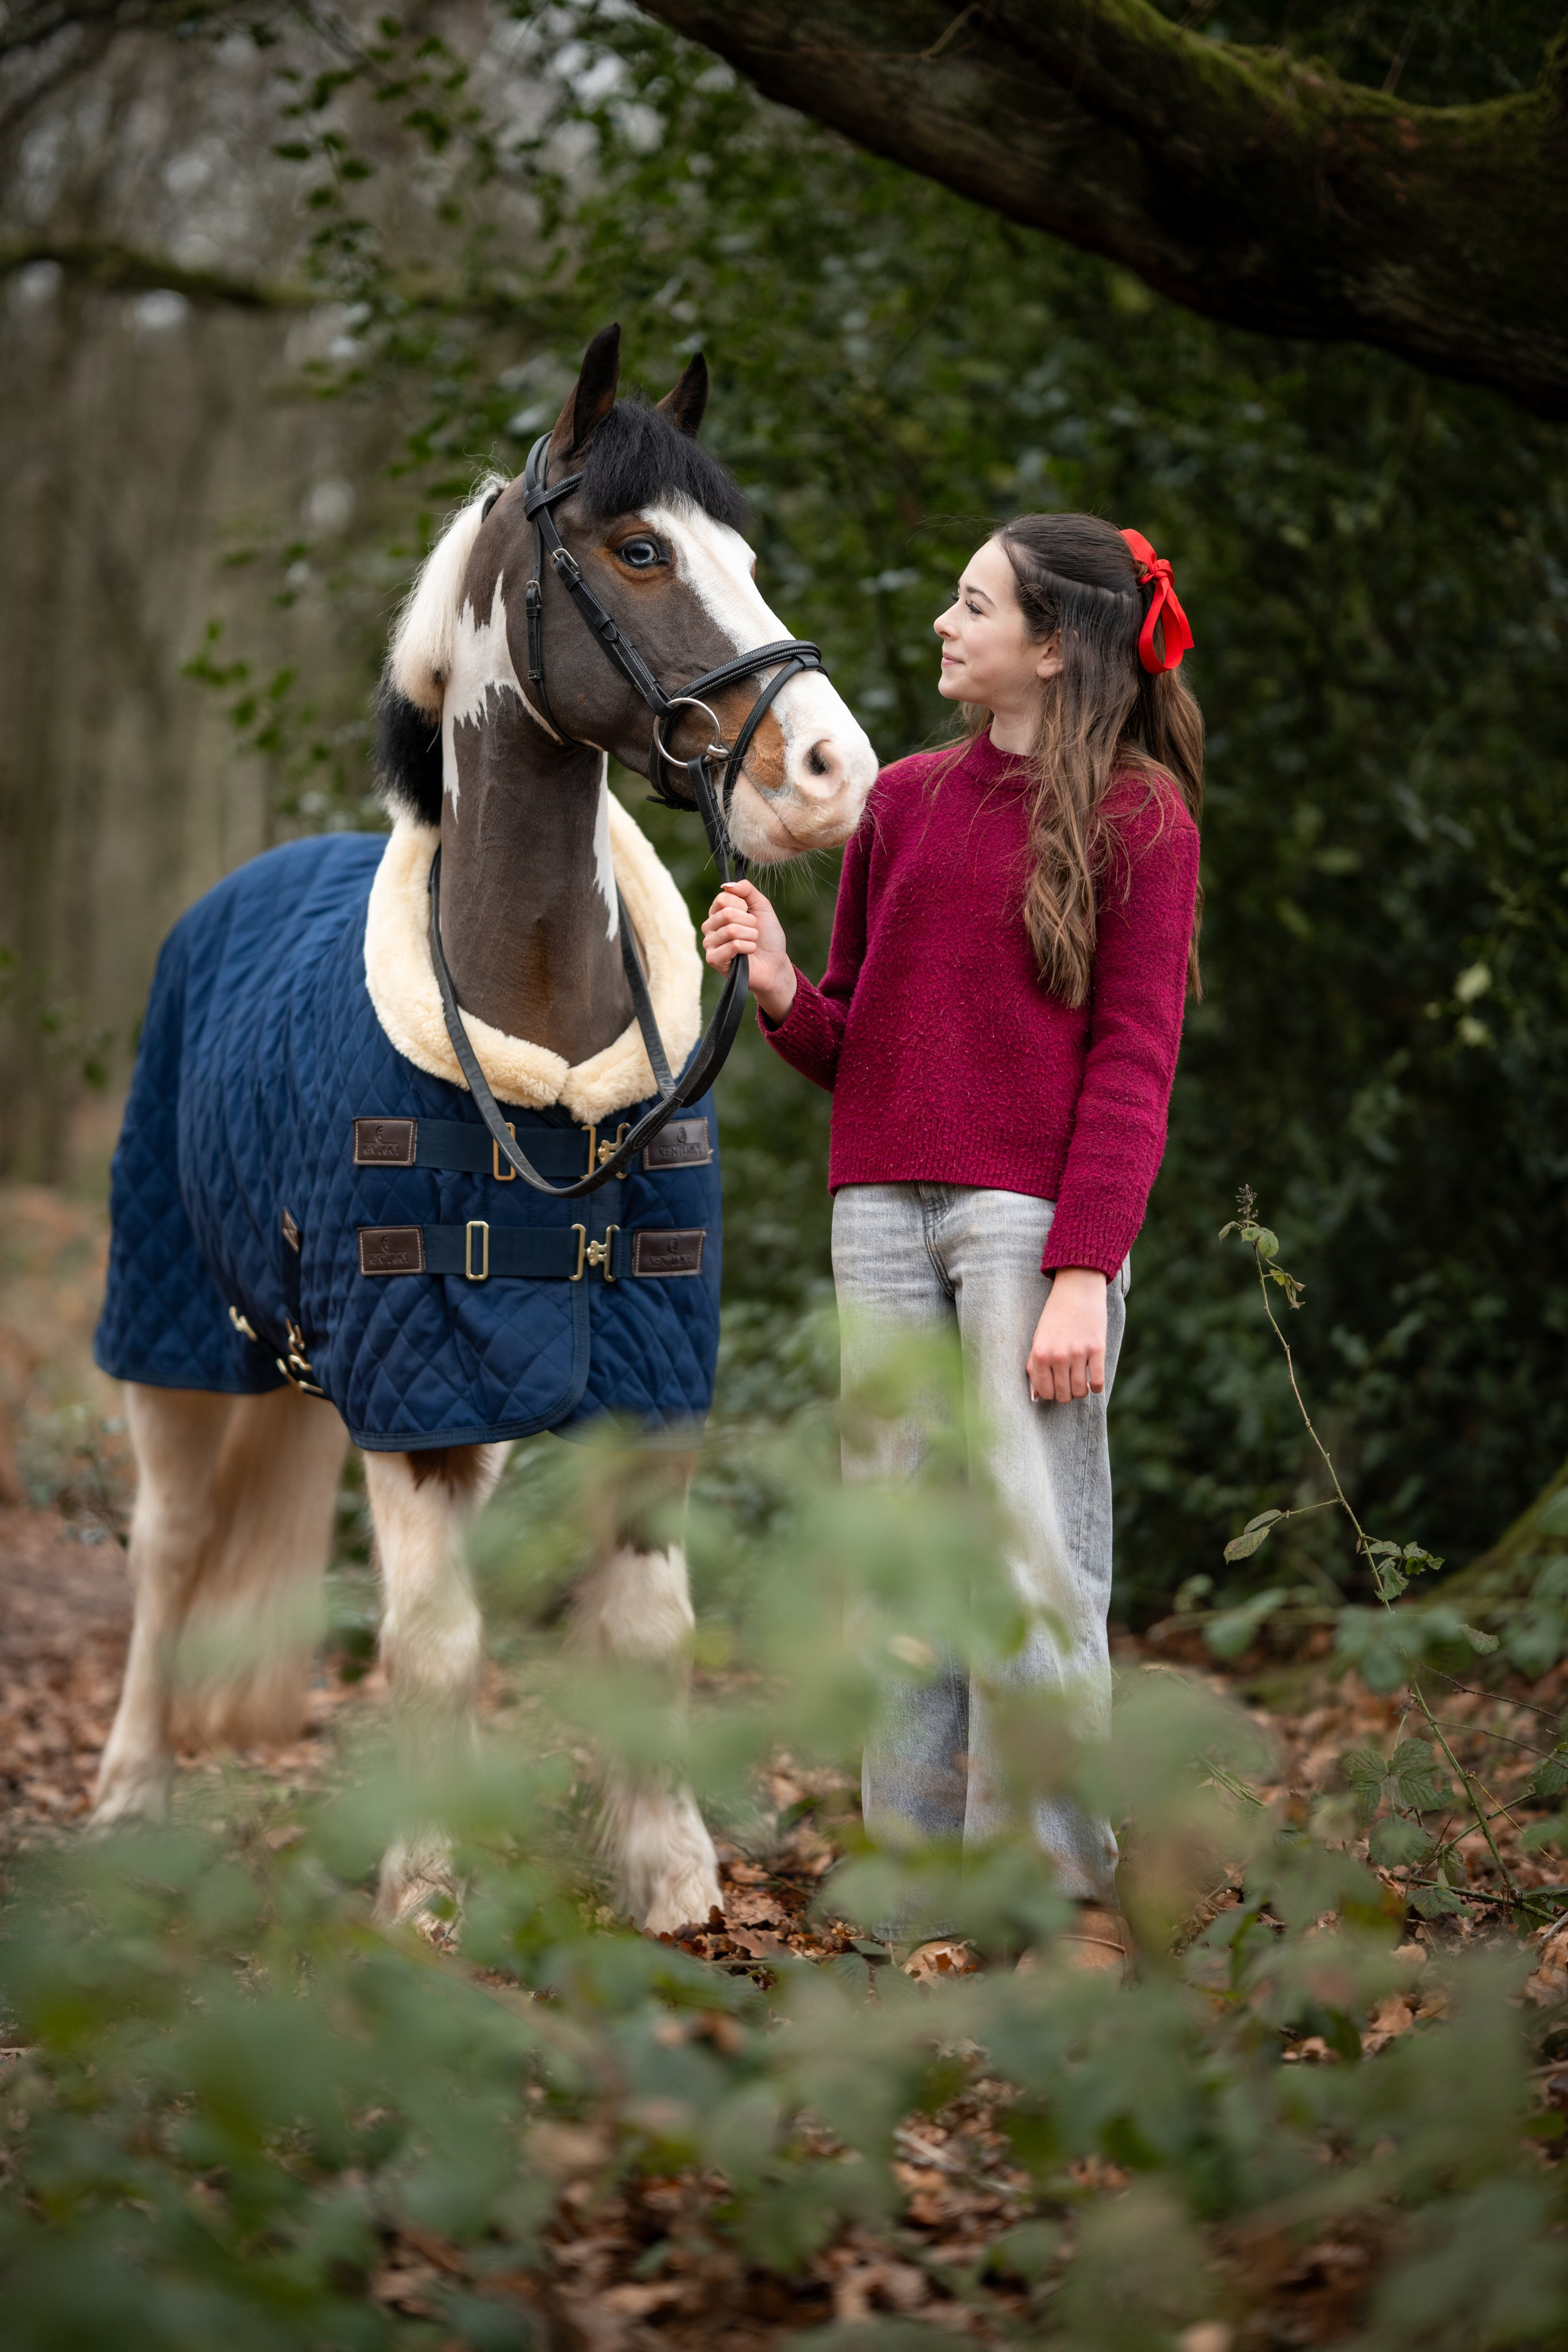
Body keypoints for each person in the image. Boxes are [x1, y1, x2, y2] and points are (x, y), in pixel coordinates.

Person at [702, 516, 1202, 1973]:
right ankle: (916, 1894)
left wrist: (1081, 1271)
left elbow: (1133, 1062)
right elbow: (854, 1042)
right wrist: (781, 988)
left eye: (972, 605)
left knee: (1032, 1557)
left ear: (1050, 646)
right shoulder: (905, 802)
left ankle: (1050, 1897)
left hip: (1026, 1228)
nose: (942, 622)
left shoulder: (1140, 820)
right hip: (876, 1216)